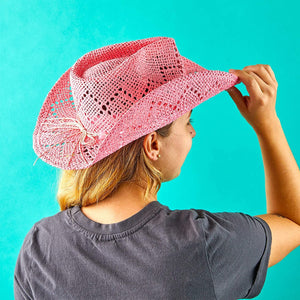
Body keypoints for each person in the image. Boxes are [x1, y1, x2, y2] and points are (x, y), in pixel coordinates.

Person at [14, 37, 300, 300]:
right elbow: (294, 221)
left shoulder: (39, 246)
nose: (193, 133)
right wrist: (267, 125)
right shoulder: (203, 243)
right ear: (153, 144)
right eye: (188, 122)